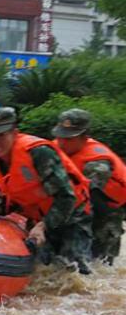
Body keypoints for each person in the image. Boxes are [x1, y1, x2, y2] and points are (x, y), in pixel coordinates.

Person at [0, 107, 93, 274]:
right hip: (37, 216)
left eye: (0, 135)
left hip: (71, 215)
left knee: (75, 270)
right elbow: (14, 193)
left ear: (14, 133)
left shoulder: (39, 153)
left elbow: (67, 197)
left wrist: (43, 226)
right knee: (41, 270)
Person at [53, 109, 126, 264]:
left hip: (105, 211)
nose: (62, 142)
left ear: (85, 137)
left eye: (68, 138)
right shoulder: (52, 149)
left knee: (99, 263)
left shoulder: (98, 163)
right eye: (60, 136)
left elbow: (89, 198)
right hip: (73, 203)